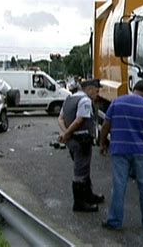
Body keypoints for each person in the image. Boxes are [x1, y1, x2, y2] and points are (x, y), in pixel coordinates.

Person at [100, 80, 143, 231]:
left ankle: (114, 221)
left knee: (119, 186)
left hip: (119, 150)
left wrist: (102, 143)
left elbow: (106, 125)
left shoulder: (117, 103)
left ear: (134, 88)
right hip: (142, 152)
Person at [58, 79, 104, 212]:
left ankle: (88, 195)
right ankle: (79, 203)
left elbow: (60, 118)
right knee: (80, 172)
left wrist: (65, 133)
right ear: (89, 89)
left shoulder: (69, 99)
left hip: (72, 140)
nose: (97, 93)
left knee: (83, 169)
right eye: (96, 90)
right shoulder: (85, 101)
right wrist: (67, 133)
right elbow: (79, 120)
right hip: (81, 139)